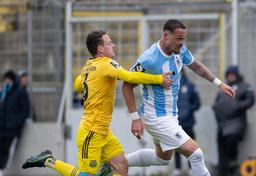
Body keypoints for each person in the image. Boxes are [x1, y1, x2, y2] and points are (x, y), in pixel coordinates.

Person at [22, 30, 173, 176]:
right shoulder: (106, 64)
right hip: (91, 132)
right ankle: (49, 161)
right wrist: (158, 79)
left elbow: (76, 85)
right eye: (110, 43)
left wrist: (89, 79)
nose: (113, 45)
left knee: (122, 166)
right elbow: (129, 77)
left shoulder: (89, 65)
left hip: (103, 131)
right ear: (100, 48)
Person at [122, 19, 235, 176]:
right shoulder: (149, 58)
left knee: (162, 159)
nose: (182, 43)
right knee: (195, 154)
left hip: (170, 115)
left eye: (183, 39)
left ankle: (117, 163)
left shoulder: (180, 50)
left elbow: (197, 66)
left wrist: (219, 83)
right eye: (179, 39)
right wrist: (135, 118)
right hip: (156, 117)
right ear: (165, 35)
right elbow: (127, 85)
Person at [212, 65, 255, 176]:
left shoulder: (244, 86)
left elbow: (250, 100)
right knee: (221, 146)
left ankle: (232, 164)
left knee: (231, 138)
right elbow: (217, 102)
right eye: (229, 74)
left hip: (236, 121)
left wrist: (236, 106)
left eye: (232, 74)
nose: (230, 76)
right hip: (222, 123)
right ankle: (222, 170)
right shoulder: (223, 88)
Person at [0, 70, 30, 175]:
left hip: (12, 129)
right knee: (1, 149)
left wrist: (17, 123)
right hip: (3, 128)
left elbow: (25, 110)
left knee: (9, 150)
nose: (6, 82)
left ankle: (3, 170)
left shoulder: (20, 92)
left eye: (8, 79)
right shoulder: (4, 92)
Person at [173, 68, 201, 176]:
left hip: (188, 122)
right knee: (176, 145)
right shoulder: (170, 86)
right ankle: (177, 168)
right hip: (175, 122)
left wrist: (189, 109)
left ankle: (191, 169)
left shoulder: (191, 86)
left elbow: (197, 103)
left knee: (191, 146)